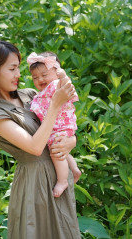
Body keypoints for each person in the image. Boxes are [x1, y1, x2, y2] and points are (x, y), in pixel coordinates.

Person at [0, 40, 81, 239]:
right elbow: (34, 147)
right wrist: (55, 105)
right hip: (36, 184)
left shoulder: (31, 96)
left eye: (18, 68)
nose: (18, 74)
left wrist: (71, 141)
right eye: (12, 69)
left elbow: (61, 125)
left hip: (58, 177)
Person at [27, 51, 82, 198]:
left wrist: (63, 77)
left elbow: (66, 86)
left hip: (61, 125)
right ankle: (74, 168)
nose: (40, 79)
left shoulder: (56, 85)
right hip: (58, 127)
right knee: (61, 149)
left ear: (57, 73)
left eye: (44, 75)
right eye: (35, 77)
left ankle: (62, 180)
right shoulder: (41, 93)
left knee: (56, 151)